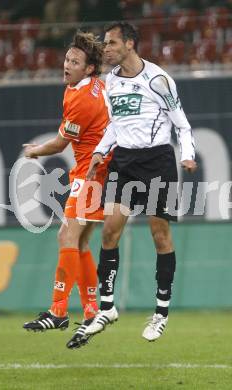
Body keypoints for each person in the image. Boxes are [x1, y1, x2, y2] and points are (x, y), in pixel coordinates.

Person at [79, 22, 197, 344]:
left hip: (156, 161)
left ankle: (160, 313)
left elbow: (182, 125)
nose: (106, 49)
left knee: (159, 235)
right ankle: (107, 307)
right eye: (105, 44)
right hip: (124, 162)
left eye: (112, 43)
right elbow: (115, 125)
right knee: (109, 231)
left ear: (130, 44)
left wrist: (187, 155)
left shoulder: (158, 80)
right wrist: (100, 152)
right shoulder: (110, 81)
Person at [22, 31, 110, 349]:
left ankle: (58, 310)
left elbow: (60, 143)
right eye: (67, 59)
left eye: (75, 61)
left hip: (92, 175)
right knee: (81, 242)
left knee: (66, 237)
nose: (67, 64)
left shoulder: (81, 100)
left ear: (89, 68)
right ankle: (90, 310)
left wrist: (34, 152)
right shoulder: (92, 86)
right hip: (95, 172)